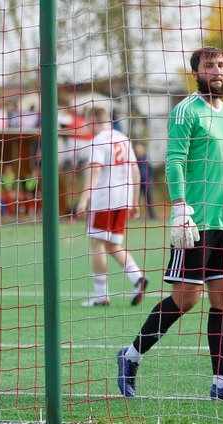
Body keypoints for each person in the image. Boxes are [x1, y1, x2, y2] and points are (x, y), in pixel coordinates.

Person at [116, 46, 223, 401]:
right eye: (210, 65)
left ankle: (222, 382)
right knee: (185, 299)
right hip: (194, 222)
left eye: (222, 65)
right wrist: (180, 208)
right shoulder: (185, 112)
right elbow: (175, 162)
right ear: (196, 72)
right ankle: (130, 356)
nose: (217, 70)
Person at [76, 106, 148, 307]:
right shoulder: (123, 139)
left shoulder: (98, 141)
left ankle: (101, 296)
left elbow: (95, 171)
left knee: (97, 244)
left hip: (103, 199)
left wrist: (83, 199)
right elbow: (136, 172)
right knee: (112, 244)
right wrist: (134, 202)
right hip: (123, 199)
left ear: (92, 121)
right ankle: (138, 278)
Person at [133, 142, 156, 219]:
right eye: (137, 149)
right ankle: (136, 216)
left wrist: (150, 179)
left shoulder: (146, 158)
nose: (138, 150)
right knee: (137, 200)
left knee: (149, 200)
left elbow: (151, 169)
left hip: (146, 182)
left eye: (139, 149)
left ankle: (152, 216)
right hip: (137, 183)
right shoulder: (134, 159)